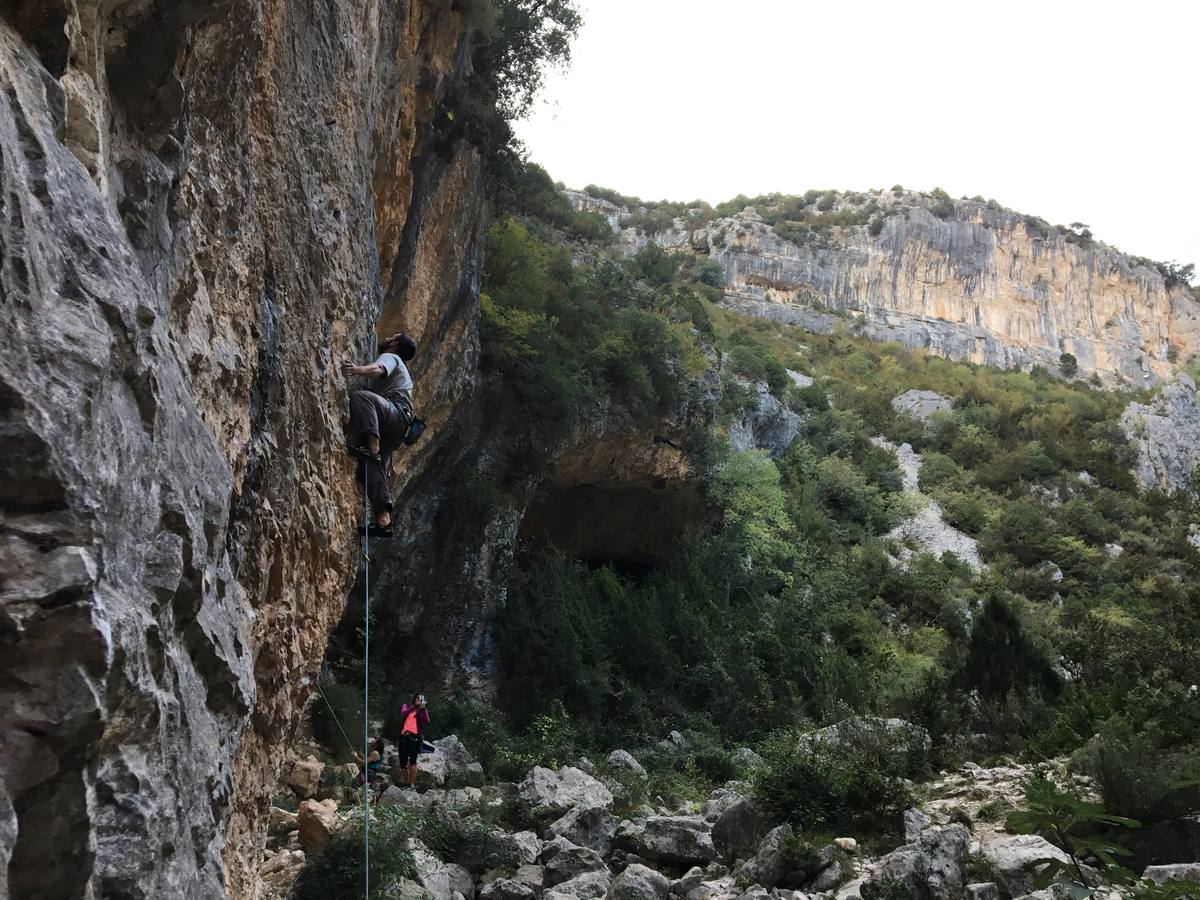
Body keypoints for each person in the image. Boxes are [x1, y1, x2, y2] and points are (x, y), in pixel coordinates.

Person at [341, 333, 417, 536]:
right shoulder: (403, 371)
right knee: (371, 468)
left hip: (393, 413)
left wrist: (356, 370)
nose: (388, 338)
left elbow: (379, 370)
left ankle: (372, 446)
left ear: (394, 343)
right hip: (397, 426)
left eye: (392, 336)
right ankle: (384, 521)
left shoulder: (393, 357)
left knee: (362, 398)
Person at [396, 693, 429, 787]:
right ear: (414, 699)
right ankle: (405, 783)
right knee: (402, 765)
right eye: (418, 698)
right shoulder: (406, 706)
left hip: (414, 737)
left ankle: (411, 784)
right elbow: (403, 714)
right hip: (403, 736)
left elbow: (426, 720)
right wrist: (414, 706)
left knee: (413, 762)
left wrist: (423, 709)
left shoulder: (422, 710)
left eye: (421, 698)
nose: (419, 700)